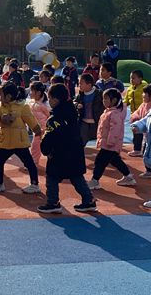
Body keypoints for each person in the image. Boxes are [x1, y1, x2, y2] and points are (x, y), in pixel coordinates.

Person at [37, 84, 97, 214]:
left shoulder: (54, 119)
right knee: (76, 176)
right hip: (74, 150)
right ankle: (89, 200)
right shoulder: (72, 112)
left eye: (50, 98)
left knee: (52, 177)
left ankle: (53, 202)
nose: (49, 101)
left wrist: (45, 149)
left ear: (56, 99)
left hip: (59, 153)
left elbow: (50, 137)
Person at [0, 82, 42, 194]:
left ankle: (34, 184)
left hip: (19, 142)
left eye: (1, 95)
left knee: (29, 163)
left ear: (8, 96)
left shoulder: (22, 107)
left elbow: (31, 119)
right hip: (5, 142)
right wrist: (2, 118)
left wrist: (37, 130)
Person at [87, 88, 136, 190]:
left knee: (100, 161)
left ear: (114, 100)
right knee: (115, 160)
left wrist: (110, 142)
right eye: (103, 99)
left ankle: (95, 180)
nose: (104, 101)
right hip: (108, 143)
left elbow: (115, 129)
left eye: (106, 99)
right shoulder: (109, 111)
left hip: (110, 143)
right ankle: (128, 176)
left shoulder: (115, 114)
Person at [74, 73, 105, 146]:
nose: (79, 85)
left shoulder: (99, 94)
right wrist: (76, 105)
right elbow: (73, 102)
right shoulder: (80, 95)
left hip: (96, 123)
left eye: (81, 83)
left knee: (99, 141)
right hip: (84, 122)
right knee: (81, 141)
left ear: (89, 84)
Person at [124, 69, 147, 157]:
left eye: (133, 78)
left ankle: (143, 150)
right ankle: (137, 149)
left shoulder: (145, 88)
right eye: (130, 78)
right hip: (134, 115)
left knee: (146, 133)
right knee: (136, 132)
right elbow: (126, 101)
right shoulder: (130, 89)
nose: (131, 80)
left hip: (144, 114)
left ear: (140, 79)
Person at [28, 81, 51, 165]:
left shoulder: (45, 104)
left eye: (32, 91)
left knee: (37, 146)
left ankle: (34, 162)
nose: (30, 92)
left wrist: (47, 128)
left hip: (45, 129)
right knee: (36, 146)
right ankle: (34, 161)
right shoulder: (31, 102)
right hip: (37, 129)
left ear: (38, 92)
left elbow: (50, 116)